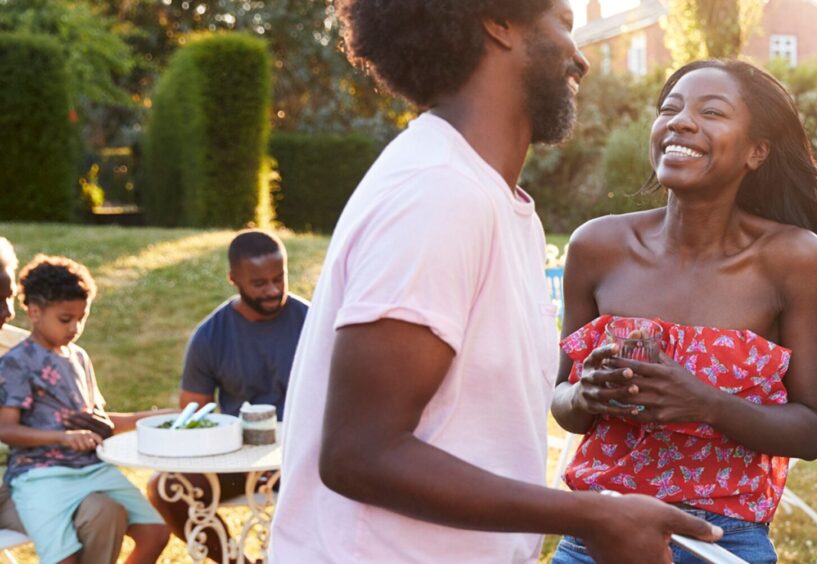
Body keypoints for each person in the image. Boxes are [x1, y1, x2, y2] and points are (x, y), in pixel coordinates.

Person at [270, 0, 720, 561]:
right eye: (563, 24)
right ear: (498, 21)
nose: (580, 59)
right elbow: (360, 452)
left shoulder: (495, 202)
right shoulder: (439, 193)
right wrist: (595, 514)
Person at [549, 59, 817, 564]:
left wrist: (706, 405)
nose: (681, 122)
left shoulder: (794, 258)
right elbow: (563, 406)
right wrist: (586, 393)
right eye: (670, 108)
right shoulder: (597, 245)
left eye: (711, 111)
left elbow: (812, 430)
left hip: (720, 541)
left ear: (757, 151)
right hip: (600, 529)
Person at [0, 255, 172, 564]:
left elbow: (99, 422)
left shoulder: (78, 357)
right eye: (66, 319)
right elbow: (6, 429)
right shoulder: (16, 363)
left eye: (82, 317)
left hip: (92, 469)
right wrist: (63, 438)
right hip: (39, 478)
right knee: (64, 559)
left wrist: (155, 418)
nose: (75, 327)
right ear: (35, 312)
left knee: (156, 532)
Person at [145, 230, 304, 561]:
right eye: (259, 283)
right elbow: (194, 417)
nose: (273, 290)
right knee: (165, 490)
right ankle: (234, 561)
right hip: (237, 458)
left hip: (304, 456)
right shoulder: (210, 336)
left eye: (279, 278)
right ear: (234, 279)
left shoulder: (312, 321)